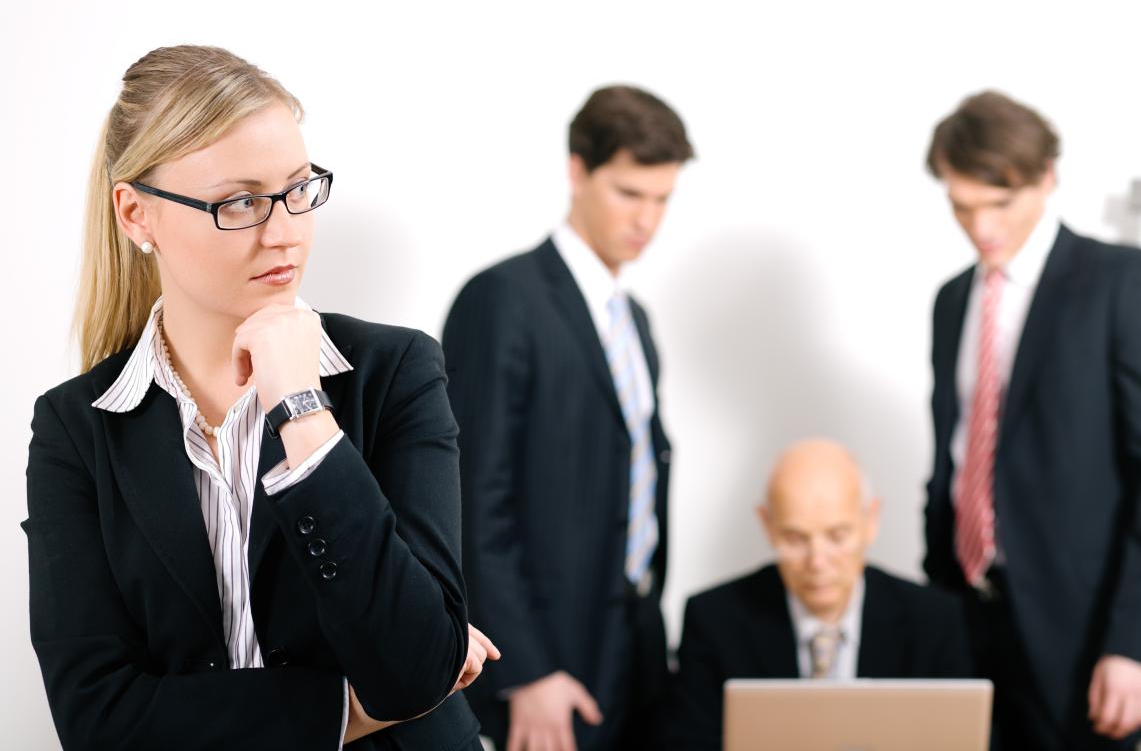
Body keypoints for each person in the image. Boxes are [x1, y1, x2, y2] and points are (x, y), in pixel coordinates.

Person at [22, 45, 498, 750]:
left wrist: (302, 408)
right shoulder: (75, 428)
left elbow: (414, 666)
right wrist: (348, 711)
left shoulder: (395, 370)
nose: (285, 233)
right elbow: (98, 719)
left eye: (298, 189)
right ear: (135, 215)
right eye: (239, 202)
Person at [923, 90, 1141, 749]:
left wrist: (1140, 643)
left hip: (1094, 637)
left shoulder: (1122, 282)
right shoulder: (952, 300)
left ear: (1047, 178)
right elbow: (956, 455)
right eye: (962, 208)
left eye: (999, 205)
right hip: (972, 625)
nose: (982, 228)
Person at [442, 84, 694, 751]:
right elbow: (471, 499)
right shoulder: (502, 300)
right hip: (544, 653)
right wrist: (526, 670)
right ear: (577, 171)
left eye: (662, 198)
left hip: (634, 639)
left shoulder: (633, 320)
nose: (646, 218)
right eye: (628, 193)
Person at [668, 439, 973, 750]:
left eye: (837, 536)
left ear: (871, 520)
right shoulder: (714, 620)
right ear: (767, 525)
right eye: (795, 538)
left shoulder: (934, 621)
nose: (817, 561)